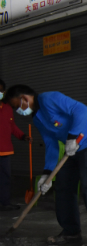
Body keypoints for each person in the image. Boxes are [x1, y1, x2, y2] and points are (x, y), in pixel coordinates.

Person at [4, 85, 87, 246]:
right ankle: (71, 232)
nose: (17, 110)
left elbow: (81, 109)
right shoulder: (38, 118)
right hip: (72, 149)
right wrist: (46, 174)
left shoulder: (49, 98)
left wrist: (72, 137)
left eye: (16, 105)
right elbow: (51, 145)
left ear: (25, 98)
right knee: (63, 186)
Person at [0, 79, 31, 211]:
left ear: (4, 92)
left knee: (5, 178)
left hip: (5, 150)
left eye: (0, 90)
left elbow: (12, 127)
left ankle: (5, 203)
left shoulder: (8, 108)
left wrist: (23, 136)